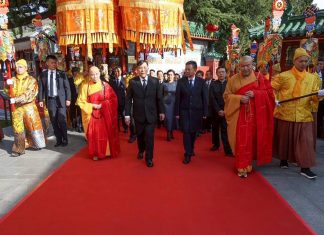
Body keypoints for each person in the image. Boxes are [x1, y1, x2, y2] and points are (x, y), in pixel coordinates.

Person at [272, 48, 324, 179]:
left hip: (304, 114)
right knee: (285, 139)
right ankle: (283, 159)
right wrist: (275, 99)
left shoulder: (313, 78)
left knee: (305, 141)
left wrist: (318, 96)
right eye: (301, 61)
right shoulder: (283, 76)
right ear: (295, 61)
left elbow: (313, 96)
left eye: (306, 61)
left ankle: (305, 168)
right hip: (285, 113)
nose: (304, 64)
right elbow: (270, 89)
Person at [224, 56, 275, 178]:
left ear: (252, 65)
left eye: (248, 65)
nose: (245, 68)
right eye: (243, 66)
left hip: (256, 117)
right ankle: (241, 166)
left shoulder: (259, 77)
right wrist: (239, 99)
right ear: (239, 66)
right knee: (241, 141)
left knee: (251, 141)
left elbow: (270, 94)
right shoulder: (233, 79)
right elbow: (226, 96)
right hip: (239, 116)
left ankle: (248, 164)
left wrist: (256, 94)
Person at [125, 60, 165, 167]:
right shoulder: (133, 82)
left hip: (151, 115)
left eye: (144, 67)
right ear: (137, 70)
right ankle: (141, 150)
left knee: (149, 137)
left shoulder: (155, 81)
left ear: (148, 68)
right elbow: (128, 99)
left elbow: (159, 98)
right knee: (140, 136)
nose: (142, 70)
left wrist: (161, 111)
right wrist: (127, 114)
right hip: (138, 115)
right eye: (140, 68)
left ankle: (149, 158)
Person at [77, 66, 120, 160]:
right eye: (92, 74)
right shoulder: (85, 86)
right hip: (92, 114)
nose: (94, 76)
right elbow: (81, 101)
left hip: (104, 114)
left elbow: (113, 99)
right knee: (94, 135)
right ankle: (96, 153)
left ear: (100, 74)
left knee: (105, 134)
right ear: (89, 75)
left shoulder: (105, 85)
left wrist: (103, 105)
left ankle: (107, 152)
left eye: (96, 74)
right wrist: (92, 106)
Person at [5, 59, 46, 157]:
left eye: (21, 67)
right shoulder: (13, 80)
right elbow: (8, 92)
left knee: (32, 126)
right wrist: (7, 85)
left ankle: (36, 143)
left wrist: (17, 99)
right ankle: (19, 148)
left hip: (29, 107)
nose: (18, 69)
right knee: (18, 128)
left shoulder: (31, 80)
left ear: (25, 68)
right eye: (17, 67)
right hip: (17, 108)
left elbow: (30, 93)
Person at [175, 61, 208, 164]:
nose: (187, 71)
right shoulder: (181, 81)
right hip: (184, 111)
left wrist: (205, 113)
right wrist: (177, 113)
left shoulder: (201, 82)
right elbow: (178, 98)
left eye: (189, 69)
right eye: (186, 69)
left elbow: (205, 98)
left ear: (194, 70)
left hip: (197, 112)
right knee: (186, 132)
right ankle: (187, 153)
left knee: (193, 132)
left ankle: (191, 147)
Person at [38, 55, 71, 147]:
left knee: (62, 119)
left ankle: (65, 139)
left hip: (61, 99)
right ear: (47, 63)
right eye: (52, 62)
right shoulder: (43, 75)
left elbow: (67, 87)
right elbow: (41, 89)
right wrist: (40, 99)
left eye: (55, 62)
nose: (54, 64)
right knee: (53, 120)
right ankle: (59, 139)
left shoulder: (62, 73)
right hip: (51, 100)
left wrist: (68, 99)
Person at [209, 67, 232, 155]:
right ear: (217, 74)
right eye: (219, 72)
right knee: (215, 129)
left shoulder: (229, 84)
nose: (221, 74)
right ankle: (216, 144)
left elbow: (231, 97)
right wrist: (218, 110)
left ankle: (227, 149)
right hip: (216, 111)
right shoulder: (213, 84)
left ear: (226, 73)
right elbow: (212, 98)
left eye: (223, 72)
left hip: (227, 111)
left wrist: (225, 110)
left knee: (225, 130)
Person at [109, 67, 127, 133]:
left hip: (123, 101)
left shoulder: (125, 79)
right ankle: (117, 128)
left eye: (118, 71)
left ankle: (125, 128)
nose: (117, 73)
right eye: (116, 71)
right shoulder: (111, 80)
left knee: (123, 115)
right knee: (115, 116)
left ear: (121, 71)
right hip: (114, 102)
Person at [163, 69, 177, 141]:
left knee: (173, 119)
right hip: (166, 104)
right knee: (168, 119)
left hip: (174, 103)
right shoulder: (164, 84)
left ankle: (171, 132)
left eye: (171, 75)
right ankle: (168, 133)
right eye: (168, 75)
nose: (170, 76)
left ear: (174, 76)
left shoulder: (177, 84)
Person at [68, 67, 83, 132]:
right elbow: (68, 90)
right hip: (72, 98)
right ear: (72, 72)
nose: (76, 73)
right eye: (75, 71)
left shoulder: (81, 79)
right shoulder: (69, 80)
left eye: (77, 71)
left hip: (80, 98)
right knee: (72, 112)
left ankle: (79, 126)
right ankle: (73, 125)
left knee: (80, 112)